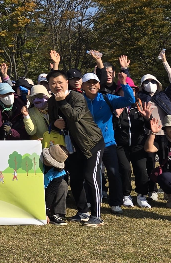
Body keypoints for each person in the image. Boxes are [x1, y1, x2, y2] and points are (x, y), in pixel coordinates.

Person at [47, 69, 105, 227]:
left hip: (91, 142)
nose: (57, 86)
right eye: (53, 83)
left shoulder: (76, 97)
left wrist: (62, 102)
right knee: (76, 178)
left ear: (67, 83)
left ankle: (97, 215)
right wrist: (54, 124)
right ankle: (82, 211)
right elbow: (52, 120)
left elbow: (74, 116)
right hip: (71, 146)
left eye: (60, 82)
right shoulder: (51, 101)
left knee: (90, 177)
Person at [80, 64, 135, 214]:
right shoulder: (79, 100)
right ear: (83, 86)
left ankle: (115, 202)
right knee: (92, 174)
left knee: (113, 172)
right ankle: (92, 200)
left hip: (108, 143)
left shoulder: (106, 98)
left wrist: (124, 84)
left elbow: (130, 100)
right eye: (88, 83)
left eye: (94, 83)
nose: (92, 85)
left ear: (99, 84)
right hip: (88, 144)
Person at [42, 144, 69, 224]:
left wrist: (46, 212)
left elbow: (51, 192)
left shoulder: (58, 172)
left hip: (46, 188)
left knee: (63, 185)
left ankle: (57, 214)